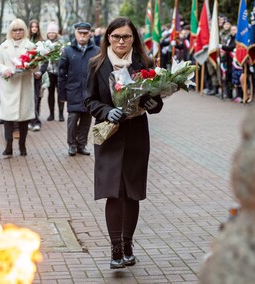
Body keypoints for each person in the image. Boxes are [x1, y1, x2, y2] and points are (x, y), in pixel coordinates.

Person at [85, 17, 164, 269]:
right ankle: (115, 249)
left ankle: (128, 244)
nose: (121, 41)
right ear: (108, 37)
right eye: (116, 36)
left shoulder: (144, 64)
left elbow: (156, 101)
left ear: (134, 39)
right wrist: (106, 111)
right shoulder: (97, 64)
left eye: (126, 37)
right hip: (109, 135)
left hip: (136, 136)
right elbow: (89, 100)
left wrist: (153, 104)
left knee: (131, 193)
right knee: (113, 192)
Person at [0, 18, 37, 157]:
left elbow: (37, 65)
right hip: (9, 86)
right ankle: (8, 145)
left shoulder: (30, 46)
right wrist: (5, 70)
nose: (17, 32)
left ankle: (22, 145)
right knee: (8, 118)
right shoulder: (3, 46)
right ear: (10, 32)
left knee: (24, 118)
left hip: (24, 85)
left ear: (25, 31)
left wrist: (32, 66)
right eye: (15, 30)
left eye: (20, 30)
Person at [58, 22, 99, 156]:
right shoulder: (68, 51)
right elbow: (61, 73)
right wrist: (61, 94)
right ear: (75, 33)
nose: (82, 35)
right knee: (73, 118)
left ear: (90, 34)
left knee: (86, 120)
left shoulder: (96, 51)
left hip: (90, 92)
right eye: (80, 33)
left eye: (85, 33)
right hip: (73, 90)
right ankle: (72, 144)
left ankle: (82, 144)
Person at [40, 21, 65, 122]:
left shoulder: (61, 43)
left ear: (56, 33)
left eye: (53, 32)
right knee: (50, 93)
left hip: (60, 71)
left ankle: (61, 114)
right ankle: (51, 114)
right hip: (49, 71)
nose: (51, 34)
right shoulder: (44, 43)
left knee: (60, 93)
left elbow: (64, 56)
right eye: (49, 32)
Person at [28, 19, 44, 131]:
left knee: (36, 98)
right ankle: (30, 120)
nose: (34, 28)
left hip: (37, 74)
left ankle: (36, 121)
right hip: (27, 74)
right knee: (28, 99)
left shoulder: (42, 42)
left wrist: (40, 72)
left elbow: (46, 60)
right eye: (32, 26)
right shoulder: (26, 41)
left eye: (36, 26)